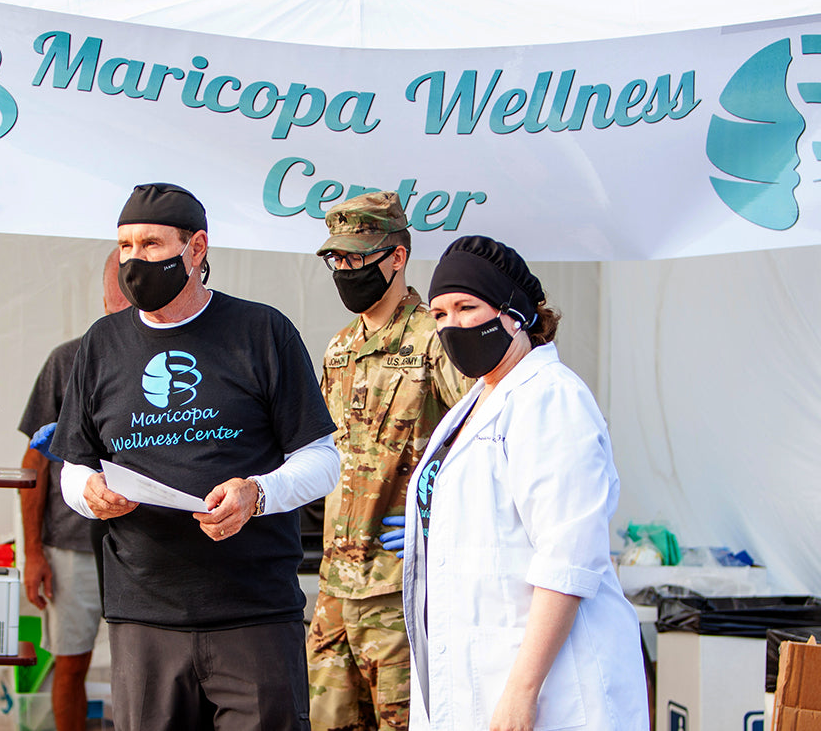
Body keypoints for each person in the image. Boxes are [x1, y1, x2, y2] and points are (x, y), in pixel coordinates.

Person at [51, 182, 339, 731]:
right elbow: (75, 466)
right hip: (144, 616)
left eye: (151, 245)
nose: (134, 260)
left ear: (196, 248)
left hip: (253, 613)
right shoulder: (101, 343)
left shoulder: (262, 332)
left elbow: (322, 460)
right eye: (126, 247)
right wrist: (88, 495)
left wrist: (257, 494)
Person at [389, 236, 648, 730]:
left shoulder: (551, 399)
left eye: (467, 307)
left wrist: (522, 691)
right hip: (474, 676)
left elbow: (567, 560)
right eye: (439, 314)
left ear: (517, 314)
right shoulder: (476, 401)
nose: (452, 325)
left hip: (548, 688)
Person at [308, 191, 471, 731]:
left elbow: (481, 444)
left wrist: (440, 522)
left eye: (358, 257)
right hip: (335, 586)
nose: (347, 270)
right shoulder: (339, 347)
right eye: (339, 259)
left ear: (396, 257)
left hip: (400, 589)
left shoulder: (435, 340)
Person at [18, 247, 130, 731]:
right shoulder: (68, 360)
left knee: (146, 668)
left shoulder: (179, 357)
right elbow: (33, 465)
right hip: (70, 545)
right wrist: (34, 554)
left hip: (146, 544)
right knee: (71, 663)